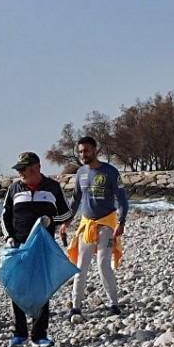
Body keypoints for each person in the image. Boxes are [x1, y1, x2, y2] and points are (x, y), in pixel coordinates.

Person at [2, 152, 73, 347]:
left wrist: (51, 220)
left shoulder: (53, 187)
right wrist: (8, 238)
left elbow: (66, 214)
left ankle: (39, 334)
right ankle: (20, 332)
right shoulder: (14, 188)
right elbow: (5, 216)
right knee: (17, 287)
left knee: (41, 289)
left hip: (43, 247)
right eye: (19, 169)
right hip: (18, 246)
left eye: (23, 169)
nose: (20, 173)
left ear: (36, 168)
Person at [60, 136, 129, 320]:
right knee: (80, 267)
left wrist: (121, 222)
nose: (83, 154)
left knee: (103, 265)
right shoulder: (80, 173)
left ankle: (114, 304)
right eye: (80, 152)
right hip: (87, 225)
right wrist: (66, 222)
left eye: (86, 151)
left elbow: (122, 199)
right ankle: (76, 307)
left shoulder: (110, 172)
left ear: (95, 150)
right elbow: (75, 200)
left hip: (106, 224)